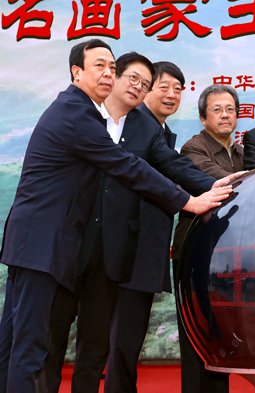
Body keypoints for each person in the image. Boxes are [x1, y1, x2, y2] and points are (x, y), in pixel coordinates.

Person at [0, 41, 231, 393]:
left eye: (111, 66)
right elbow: (126, 165)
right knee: (30, 348)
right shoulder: (77, 114)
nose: (108, 73)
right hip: (45, 244)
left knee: (15, 342)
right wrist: (188, 202)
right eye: (100, 66)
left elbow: (166, 164)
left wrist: (215, 185)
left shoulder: (89, 113)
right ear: (76, 71)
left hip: (53, 246)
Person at [103, 63, 239, 393]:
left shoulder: (157, 131)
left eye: (178, 89)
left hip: (143, 250)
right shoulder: (137, 126)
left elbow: (173, 167)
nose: (171, 94)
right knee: (120, 339)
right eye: (163, 86)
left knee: (127, 339)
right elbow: (162, 173)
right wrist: (210, 190)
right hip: (126, 250)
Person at [172, 84, 244, 393]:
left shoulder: (240, 151)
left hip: (228, 256)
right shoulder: (194, 148)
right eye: (217, 110)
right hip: (196, 253)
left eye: (230, 109)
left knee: (221, 334)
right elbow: (224, 183)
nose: (225, 115)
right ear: (203, 118)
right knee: (197, 335)